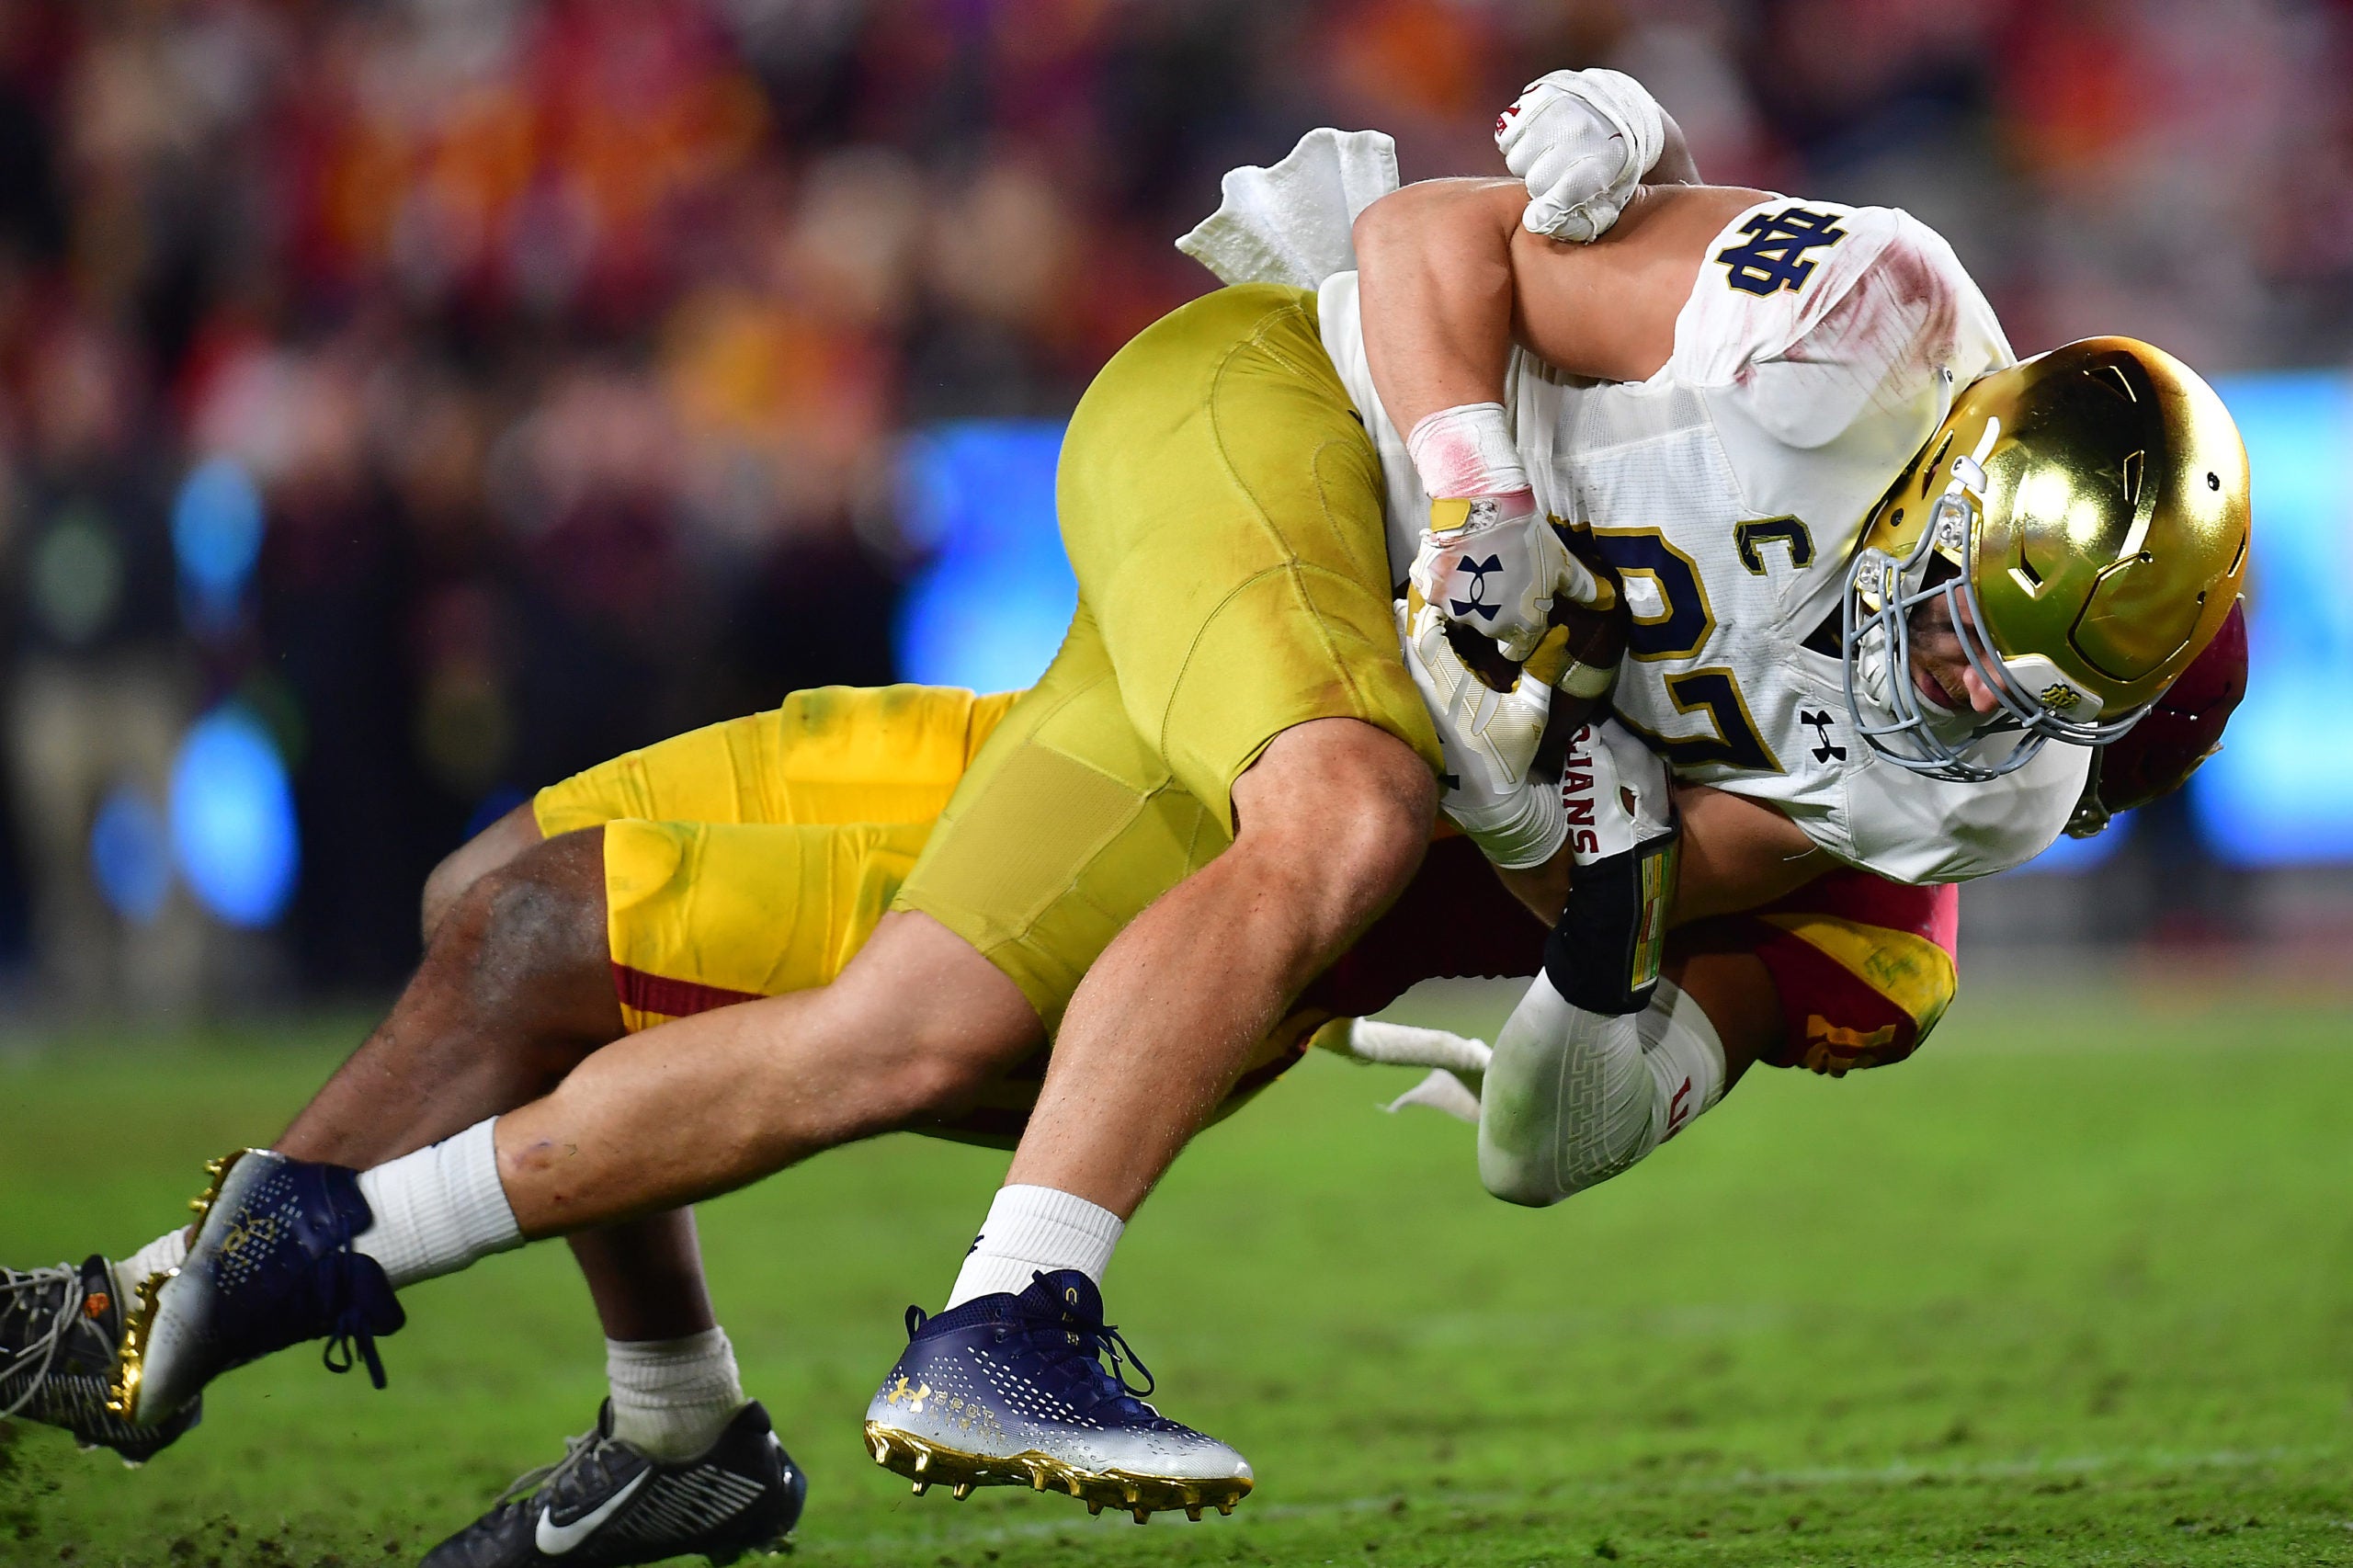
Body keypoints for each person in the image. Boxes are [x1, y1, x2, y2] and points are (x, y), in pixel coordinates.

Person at [15, 65, 2250, 1539]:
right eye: (1967, 641)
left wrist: (1586, 839)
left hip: (1233, 870)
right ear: (1959, 491)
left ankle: (534, 1371)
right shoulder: (1856, 328)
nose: (1959, 709)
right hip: (1286, 474)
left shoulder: (1947, 825)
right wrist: (1487, 498)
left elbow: (1549, 1105)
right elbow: (1428, 249)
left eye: (2036, 718)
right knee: (1354, 791)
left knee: (558, 926)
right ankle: (997, 1324)